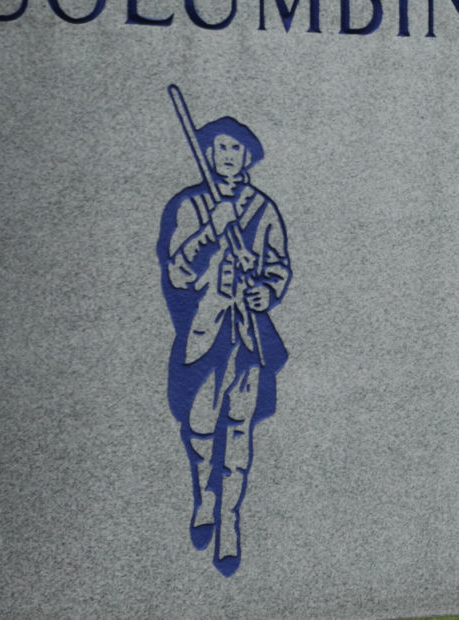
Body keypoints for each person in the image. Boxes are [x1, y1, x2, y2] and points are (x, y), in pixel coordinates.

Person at [157, 117, 290, 576]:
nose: (226, 156)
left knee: (238, 429)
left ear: (247, 156)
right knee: (198, 425)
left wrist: (266, 292)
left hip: (248, 335)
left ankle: (230, 520)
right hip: (204, 332)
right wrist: (210, 232)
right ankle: (205, 497)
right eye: (219, 148)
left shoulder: (262, 208)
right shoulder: (191, 205)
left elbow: (278, 267)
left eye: (235, 148)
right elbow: (177, 271)